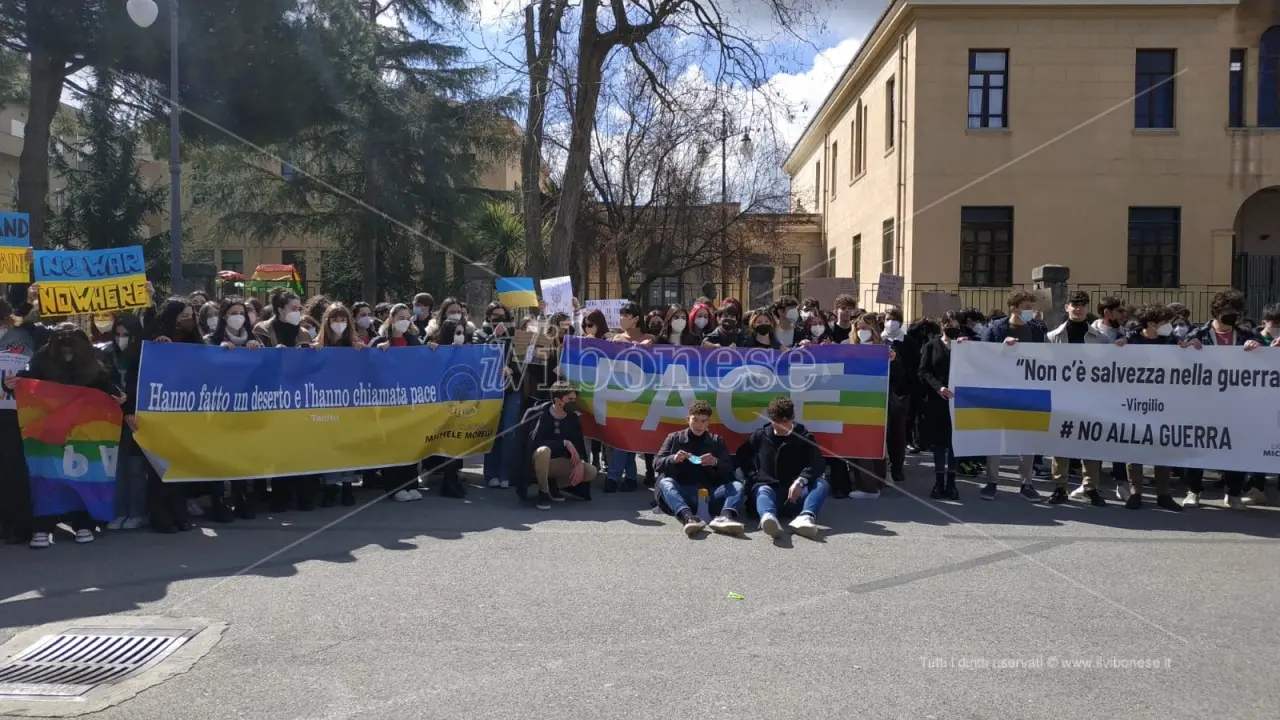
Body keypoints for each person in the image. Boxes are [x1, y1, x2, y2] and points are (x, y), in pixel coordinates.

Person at [10, 325, 125, 547]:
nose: (67, 355)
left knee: (81, 476)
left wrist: (118, 395)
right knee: (46, 476)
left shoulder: (94, 364)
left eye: (71, 351)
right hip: (48, 432)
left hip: (83, 433)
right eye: (62, 351)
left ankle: (83, 524)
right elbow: (28, 379)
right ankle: (43, 527)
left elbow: (105, 384)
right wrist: (15, 384)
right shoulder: (42, 360)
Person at [1182, 289, 1259, 509]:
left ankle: (1233, 492)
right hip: (1203, 402)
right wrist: (1186, 348)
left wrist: (1257, 349)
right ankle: (1194, 490)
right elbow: (1179, 359)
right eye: (1227, 310)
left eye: (1236, 311)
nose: (1232, 314)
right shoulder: (1198, 334)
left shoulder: (1246, 335)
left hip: (1238, 403)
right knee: (1197, 444)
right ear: (1216, 311)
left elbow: (1265, 360)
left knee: (1237, 446)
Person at [1045, 290, 1119, 505]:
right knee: (1060, 444)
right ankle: (1060, 488)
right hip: (1063, 397)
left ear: (1087, 308)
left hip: (1091, 398)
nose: (1077, 309)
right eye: (1074, 305)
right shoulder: (1053, 337)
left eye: (1082, 305)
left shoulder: (1101, 339)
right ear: (1066, 307)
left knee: (1091, 442)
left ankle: (1090, 487)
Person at [976, 290, 1046, 502]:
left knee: (1028, 438)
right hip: (1000, 390)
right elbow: (981, 357)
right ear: (1013, 308)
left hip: (1029, 389)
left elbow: (1046, 357)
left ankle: (1026, 482)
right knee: (997, 438)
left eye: (1031, 307)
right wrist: (1001, 349)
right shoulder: (995, 329)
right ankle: (992, 482)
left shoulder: (1036, 329)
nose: (1030, 311)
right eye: (1026, 307)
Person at [1115, 304, 1183, 511]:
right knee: (1134, 447)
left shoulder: (1170, 341)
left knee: (1161, 447)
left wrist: (1190, 348)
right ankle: (1136, 493)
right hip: (1135, 402)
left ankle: (1164, 494)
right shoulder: (1131, 340)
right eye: (1164, 322)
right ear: (1151, 323)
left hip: (1163, 402)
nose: (1168, 326)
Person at [736, 397, 828, 539]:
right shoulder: (760, 435)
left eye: (786, 421)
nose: (782, 426)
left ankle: (806, 517)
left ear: (793, 418)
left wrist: (801, 481)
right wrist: (753, 476)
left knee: (822, 484)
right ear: (771, 419)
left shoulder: (805, 437)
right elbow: (742, 455)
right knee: (762, 490)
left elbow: (817, 463)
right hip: (768, 491)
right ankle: (768, 518)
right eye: (777, 422)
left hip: (795, 495)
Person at [0, 294, 52, 546]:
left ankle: (25, 525)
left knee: (16, 469)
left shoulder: (27, 332)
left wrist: (30, 299)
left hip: (17, 411)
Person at [651, 400, 744, 537]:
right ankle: (688, 518)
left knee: (737, 485)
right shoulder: (674, 438)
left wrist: (715, 462)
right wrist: (673, 459)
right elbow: (656, 463)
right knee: (665, 483)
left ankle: (725, 517)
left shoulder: (716, 441)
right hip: (683, 492)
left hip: (710, 493)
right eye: (695, 420)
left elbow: (729, 467)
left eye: (703, 421)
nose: (699, 425)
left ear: (708, 423)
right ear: (688, 419)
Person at [374, 304, 425, 502]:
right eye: (400, 317)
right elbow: (367, 364)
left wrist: (432, 349)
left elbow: (424, 363)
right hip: (388, 402)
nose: (404, 321)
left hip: (410, 400)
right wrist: (378, 352)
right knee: (393, 444)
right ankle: (394, 487)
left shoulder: (413, 341)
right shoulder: (381, 341)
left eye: (407, 317)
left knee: (410, 443)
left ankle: (411, 484)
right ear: (391, 319)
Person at [918, 310, 972, 500]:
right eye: (950, 326)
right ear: (942, 325)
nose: (954, 329)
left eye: (957, 326)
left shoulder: (964, 347)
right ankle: (939, 481)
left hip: (959, 401)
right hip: (938, 402)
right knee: (940, 444)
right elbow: (923, 372)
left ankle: (952, 482)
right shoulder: (931, 346)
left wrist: (967, 349)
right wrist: (938, 388)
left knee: (954, 443)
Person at [315, 303, 365, 507]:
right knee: (329, 446)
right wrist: (313, 353)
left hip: (350, 402)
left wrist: (362, 351)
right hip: (326, 403)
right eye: (334, 320)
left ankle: (347, 486)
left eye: (342, 319)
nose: (338, 323)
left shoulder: (355, 345)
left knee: (348, 446)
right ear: (327, 322)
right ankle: (329, 487)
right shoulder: (317, 345)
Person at [519, 381, 596, 510]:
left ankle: (554, 484)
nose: (573, 402)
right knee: (544, 451)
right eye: (570, 399)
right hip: (536, 462)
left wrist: (580, 463)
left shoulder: (572, 418)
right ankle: (543, 491)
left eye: (574, 399)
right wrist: (563, 443)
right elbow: (532, 442)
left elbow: (579, 446)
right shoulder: (537, 413)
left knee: (591, 472)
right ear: (557, 400)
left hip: (558, 463)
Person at [476, 302, 525, 490]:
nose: (499, 319)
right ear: (488, 316)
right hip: (489, 392)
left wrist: (511, 371)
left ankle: (506, 472)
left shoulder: (515, 336)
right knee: (493, 432)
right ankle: (490, 474)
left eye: (502, 315)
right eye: (495, 315)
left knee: (509, 432)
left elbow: (523, 362)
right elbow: (477, 354)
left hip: (511, 389)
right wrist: (494, 336)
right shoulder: (480, 334)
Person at [605, 302, 651, 492]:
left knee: (629, 434)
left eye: (626, 315)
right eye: (621, 314)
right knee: (623, 434)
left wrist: (643, 345)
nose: (622, 318)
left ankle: (615, 476)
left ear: (636, 319)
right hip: (620, 392)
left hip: (643, 394)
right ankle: (627, 476)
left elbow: (650, 345)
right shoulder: (617, 337)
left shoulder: (648, 337)